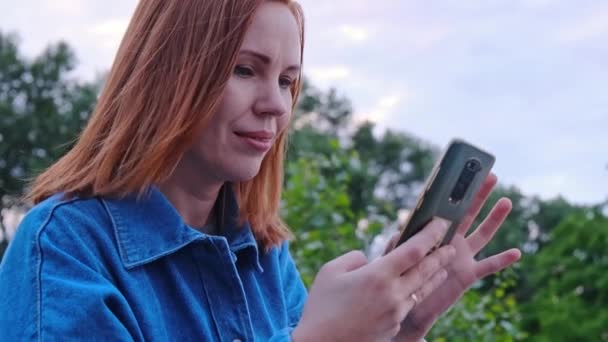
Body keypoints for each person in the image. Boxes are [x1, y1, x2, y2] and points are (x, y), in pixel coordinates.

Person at [0, 0, 521, 341]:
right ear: (165, 75)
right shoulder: (64, 247)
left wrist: (402, 327)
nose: (276, 105)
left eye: (289, 81)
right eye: (245, 70)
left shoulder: (264, 256)